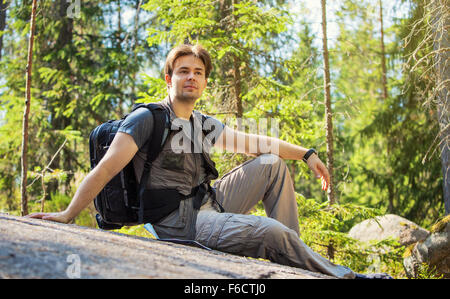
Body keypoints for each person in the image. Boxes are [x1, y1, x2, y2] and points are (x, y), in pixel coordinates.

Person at [27, 44, 389, 279]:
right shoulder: (147, 120)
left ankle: (296, 263)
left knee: (270, 164)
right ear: (169, 79)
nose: (191, 77)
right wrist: (67, 215)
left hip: (206, 204)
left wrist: (307, 154)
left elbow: (258, 142)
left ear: (204, 83)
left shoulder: (201, 124)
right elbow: (106, 169)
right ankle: (346, 277)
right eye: (183, 71)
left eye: (198, 73)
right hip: (176, 223)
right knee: (270, 232)